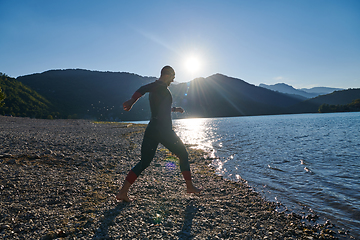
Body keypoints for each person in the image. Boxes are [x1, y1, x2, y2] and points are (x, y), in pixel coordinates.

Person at [116, 65, 202, 202]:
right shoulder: (158, 86)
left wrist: (174, 109)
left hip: (153, 128)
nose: (172, 81)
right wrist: (132, 101)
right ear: (167, 75)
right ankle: (190, 187)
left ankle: (122, 192)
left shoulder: (160, 89)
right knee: (183, 153)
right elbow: (142, 89)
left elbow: (161, 107)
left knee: (144, 162)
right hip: (163, 130)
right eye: (172, 78)